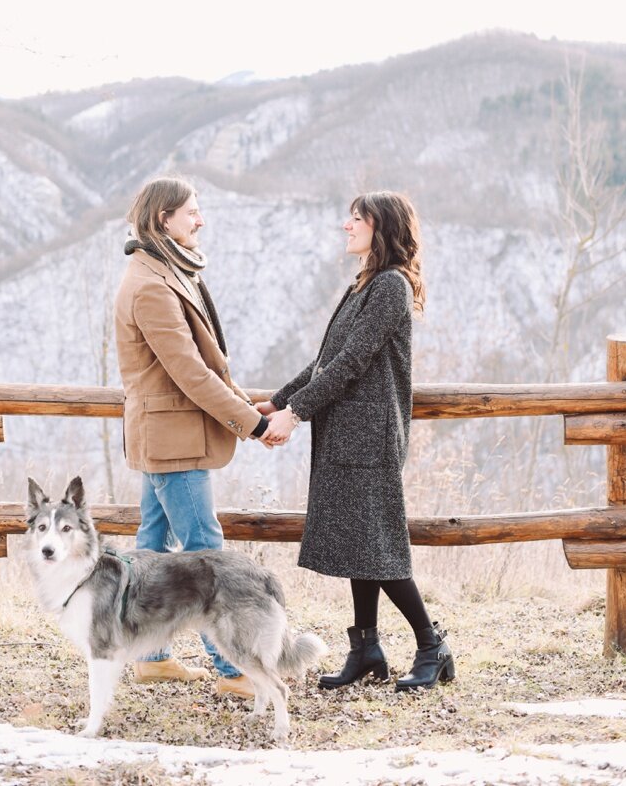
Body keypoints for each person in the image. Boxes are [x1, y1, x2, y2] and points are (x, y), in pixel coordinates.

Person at [260, 191, 454, 692]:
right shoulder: (364, 283)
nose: (346, 225)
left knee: (379, 547)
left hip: (369, 439)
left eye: (356, 219)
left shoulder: (389, 286)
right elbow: (326, 359)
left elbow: (351, 364)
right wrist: (279, 401)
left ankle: (433, 645)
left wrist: (296, 413)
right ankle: (365, 648)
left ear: (381, 227)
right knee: (359, 545)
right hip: (346, 435)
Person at [115, 176, 269, 699]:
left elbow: (205, 366)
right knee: (207, 553)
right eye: (191, 213)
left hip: (166, 435)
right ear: (164, 218)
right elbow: (191, 373)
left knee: (152, 549)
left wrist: (249, 406)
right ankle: (232, 670)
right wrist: (253, 424)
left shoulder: (161, 270)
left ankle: (150, 657)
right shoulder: (153, 285)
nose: (200, 220)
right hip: (173, 439)